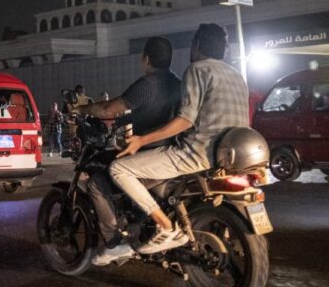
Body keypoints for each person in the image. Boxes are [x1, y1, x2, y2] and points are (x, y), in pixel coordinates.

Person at [110, 23, 249, 256]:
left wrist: (142, 140)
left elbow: (184, 120)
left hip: (198, 155)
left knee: (118, 169)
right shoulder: (237, 76)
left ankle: (164, 226)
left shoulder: (197, 70)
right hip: (230, 157)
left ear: (196, 45)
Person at [72, 37, 181, 265]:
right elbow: (155, 113)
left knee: (97, 183)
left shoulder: (147, 84)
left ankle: (114, 243)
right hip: (174, 155)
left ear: (146, 59)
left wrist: (81, 109)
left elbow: (108, 108)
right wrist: (129, 119)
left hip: (151, 155)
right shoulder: (178, 84)